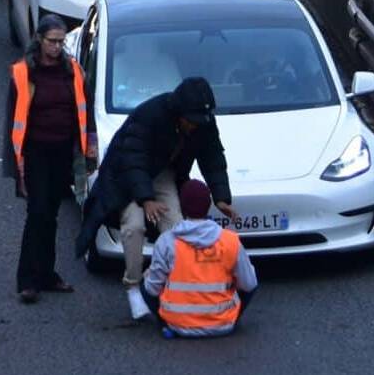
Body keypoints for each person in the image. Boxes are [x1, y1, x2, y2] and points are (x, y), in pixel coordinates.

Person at [74, 76, 239, 322]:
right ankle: (132, 285)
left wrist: (221, 197)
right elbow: (133, 158)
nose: (193, 126)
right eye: (190, 121)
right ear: (179, 111)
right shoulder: (150, 115)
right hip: (126, 179)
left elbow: (212, 156)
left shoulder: (203, 122)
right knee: (134, 226)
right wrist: (146, 198)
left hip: (163, 175)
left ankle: (152, 282)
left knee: (176, 230)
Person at [5, 16, 94, 304]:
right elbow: (12, 119)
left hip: (63, 153)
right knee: (38, 212)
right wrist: (14, 160)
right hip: (35, 153)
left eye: (61, 41)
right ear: (39, 40)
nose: (57, 47)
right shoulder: (23, 74)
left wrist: (88, 147)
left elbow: (85, 109)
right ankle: (28, 279)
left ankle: (46, 273)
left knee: (51, 214)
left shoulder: (74, 72)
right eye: (52, 41)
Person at [143, 179, 257, 338]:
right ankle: (232, 317)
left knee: (146, 280)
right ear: (208, 205)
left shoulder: (167, 241)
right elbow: (249, 284)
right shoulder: (230, 240)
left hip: (178, 324)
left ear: (182, 208)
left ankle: (165, 324)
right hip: (223, 324)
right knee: (250, 274)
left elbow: (152, 289)